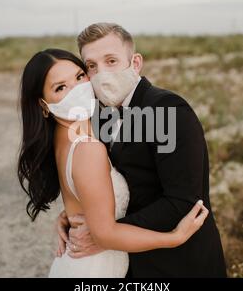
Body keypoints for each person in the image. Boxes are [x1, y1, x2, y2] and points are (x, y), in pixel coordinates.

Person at [17, 48, 209, 277]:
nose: (77, 90)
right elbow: (105, 235)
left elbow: (83, 192)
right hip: (95, 269)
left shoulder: (63, 134)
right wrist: (173, 238)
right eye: (60, 88)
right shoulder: (88, 147)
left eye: (80, 77)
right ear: (43, 105)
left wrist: (71, 214)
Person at [56, 23, 227, 277]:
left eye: (111, 61)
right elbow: (113, 183)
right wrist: (74, 214)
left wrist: (105, 233)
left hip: (181, 264)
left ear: (135, 63)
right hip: (133, 264)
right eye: (91, 66)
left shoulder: (168, 109)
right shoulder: (102, 114)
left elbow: (182, 202)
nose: (101, 73)